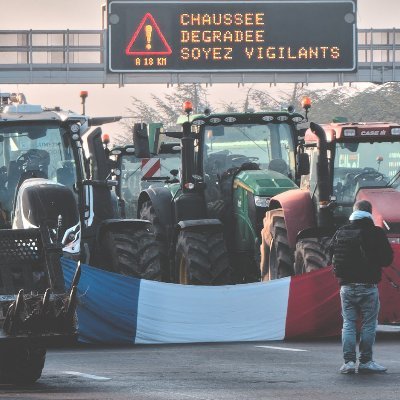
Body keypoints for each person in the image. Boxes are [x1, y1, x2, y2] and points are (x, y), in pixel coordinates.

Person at [330, 200, 393, 374]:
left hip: (346, 287)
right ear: (370, 213)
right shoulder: (375, 232)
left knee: (348, 323)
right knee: (368, 324)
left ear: (354, 212)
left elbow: (331, 255)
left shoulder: (341, 232)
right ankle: (366, 361)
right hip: (368, 286)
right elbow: (387, 259)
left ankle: (348, 362)